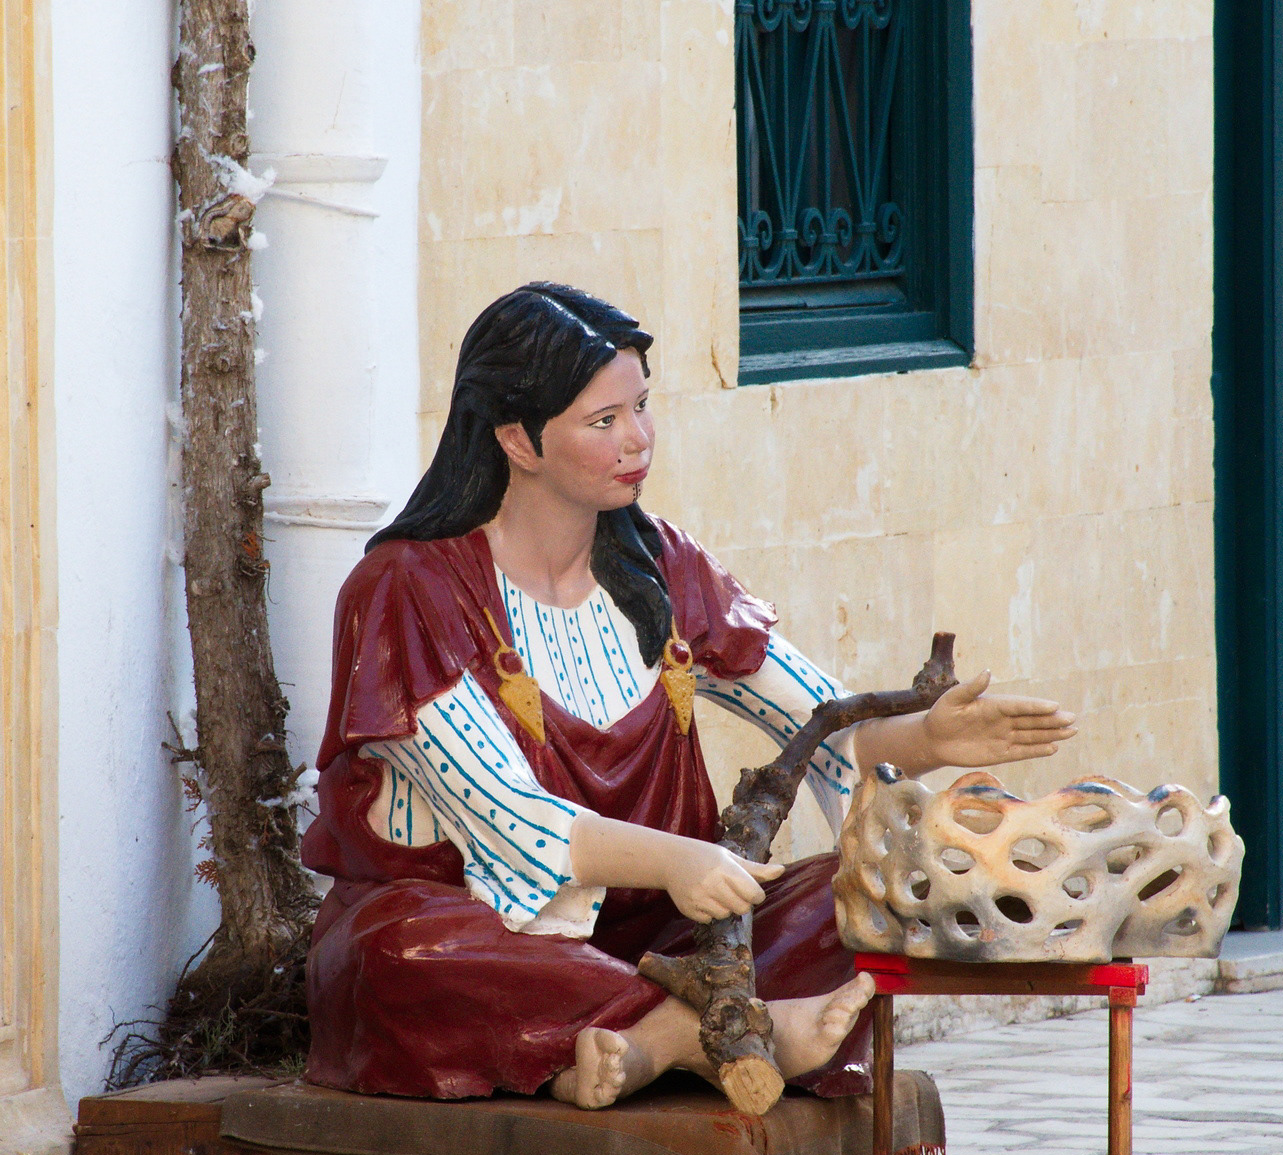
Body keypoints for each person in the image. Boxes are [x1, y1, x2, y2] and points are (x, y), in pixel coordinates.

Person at [300, 283, 1076, 1109]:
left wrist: (928, 736)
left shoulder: (666, 566)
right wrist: (680, 859)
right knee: (406, 953)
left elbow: (817, 725)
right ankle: (726, 1034)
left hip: (669, 934)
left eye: (642, 407)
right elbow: (508, 815)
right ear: (516, 440)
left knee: (867, 888)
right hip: (496, 934)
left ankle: (640, 1045)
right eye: (604, 422)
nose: (638, 441)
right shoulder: (410, 589)